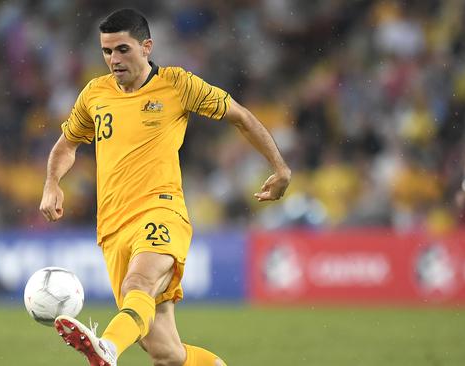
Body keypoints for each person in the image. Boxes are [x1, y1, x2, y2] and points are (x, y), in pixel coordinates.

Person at [39, 9, 290, 366]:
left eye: (122, 49)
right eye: (106, 51)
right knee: (166, 353)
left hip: (161, 211)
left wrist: (280, 169)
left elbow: (241, 117)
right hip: (112, 228)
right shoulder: (95, 94)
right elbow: (67, 144)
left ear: (147, 47)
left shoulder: (176, 85)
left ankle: (106, 348)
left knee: (136, 285)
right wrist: (52, 183)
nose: (113, 59)